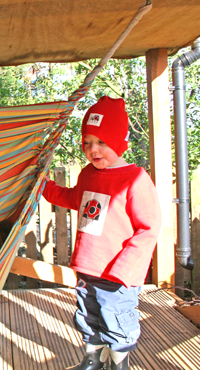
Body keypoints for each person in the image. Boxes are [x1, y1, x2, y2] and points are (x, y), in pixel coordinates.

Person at [42, 96, 162, 370]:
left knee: (116, 320)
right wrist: (44, 187)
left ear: (119, 142)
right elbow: (74, 198)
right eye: (87, 143)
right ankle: (93, 360)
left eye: (102, 142)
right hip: (88, 268)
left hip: (117, 274)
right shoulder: (88, 174)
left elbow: (148, 229)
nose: (93, 149)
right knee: (88, 317)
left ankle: (119, 365)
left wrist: (125, 268)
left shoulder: (135, 179)